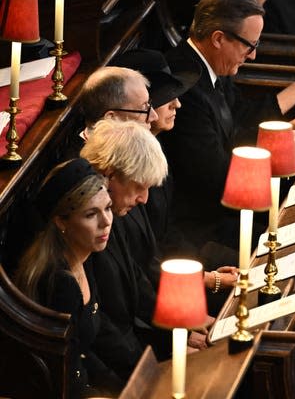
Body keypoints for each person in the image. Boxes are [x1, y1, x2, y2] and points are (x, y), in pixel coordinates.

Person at [162, 0, 295, 251]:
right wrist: (285, 150)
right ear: (218, 39)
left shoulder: (212, 65)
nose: (253, 55)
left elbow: (239, 122)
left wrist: (290, 128)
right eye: (250, 45)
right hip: (203, 227)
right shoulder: (187, 87)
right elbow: (216, 176)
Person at [111, 48, 240, 311]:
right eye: (165, 98)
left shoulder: (161, 144)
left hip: (181, 252)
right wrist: (206, 277)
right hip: (162, 278)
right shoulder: (123, 173)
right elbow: (144, 259)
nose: (177, 104)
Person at [13, 158, 122, 397]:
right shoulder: (59, 283)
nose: (106, 222)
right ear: (61, 221)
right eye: (91, 214)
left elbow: (87, 343)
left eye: (108, 208)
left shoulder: (85, 255)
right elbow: (64, 370)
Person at [79, 119, 172, 380]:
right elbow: (98, 327)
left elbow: (135, 279)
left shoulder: (115, 212)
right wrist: (147, 371)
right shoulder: (84, 229)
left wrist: (179, 327)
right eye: (139, 187)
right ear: (109, 174)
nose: (144, 199)